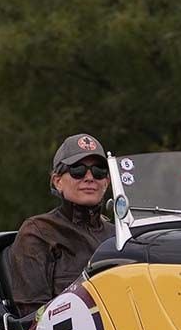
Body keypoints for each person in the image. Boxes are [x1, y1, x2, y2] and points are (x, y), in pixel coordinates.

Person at [8, 133, 114, 317]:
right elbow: (32, 316)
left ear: (107, 182)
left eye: (98, 171)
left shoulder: (120, 235)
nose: (89, 177)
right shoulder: (39, 232)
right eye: (77, 170)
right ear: (57, 182)